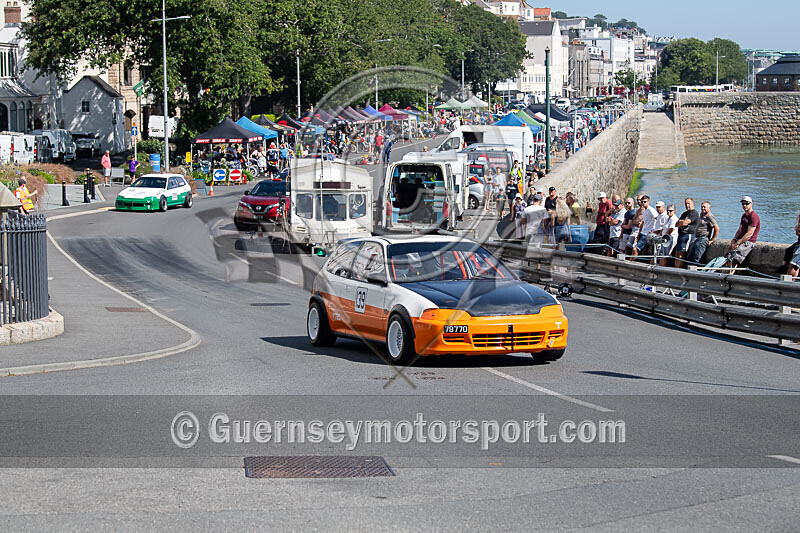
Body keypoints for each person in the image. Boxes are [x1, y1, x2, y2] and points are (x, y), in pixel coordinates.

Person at [728, 195, 760, 266]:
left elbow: (749, 234)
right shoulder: (744, 216)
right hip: (741, 239)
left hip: (749, 241)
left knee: (735, 258)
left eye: (747, 203)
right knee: (728, 255)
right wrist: (734, 239)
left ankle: (731, 271)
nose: (744, 205)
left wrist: (738, 243)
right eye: (743, 204)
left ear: (751, 204)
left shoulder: (754, 216)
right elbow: (740, 230)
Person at [674, 197, 699, 268]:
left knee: (681, 254)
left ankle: (678, 269)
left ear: (693, 204)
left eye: (689, 203)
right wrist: (681, 222)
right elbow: (676, 224)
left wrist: (681, 222)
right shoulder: (684, 214)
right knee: (677, 254)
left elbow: (685, 223)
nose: (687, 205)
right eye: (686, 204)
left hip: (687, 235)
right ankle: (675, 269)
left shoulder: (694, 213)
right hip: (681, 235)